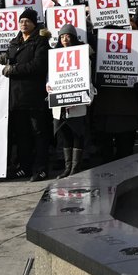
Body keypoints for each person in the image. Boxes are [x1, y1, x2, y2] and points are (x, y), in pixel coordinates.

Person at [1, 8, 52, 180]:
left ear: (33, 23)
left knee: (38, 133)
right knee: (21, 134)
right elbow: (9, 59)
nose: (24, 23)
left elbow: (38, 65)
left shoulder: (40, 41)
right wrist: (3, 60)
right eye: (21, 21)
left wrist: (14, 69)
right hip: (16, 97)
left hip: (34, 95)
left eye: (27, 21)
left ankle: (41, 168)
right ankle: (24, 166)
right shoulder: (14, 42)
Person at [50, 26, 91, 177]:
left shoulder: (82, 56)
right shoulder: (54, 56)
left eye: (67, 36)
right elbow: (51, 77)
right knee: (64, 135)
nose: (65, 40)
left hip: (76, 103)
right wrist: (48, 86)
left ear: (73, 38)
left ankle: (75, 167)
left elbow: (87, 80)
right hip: (59, 105)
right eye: (62, 37)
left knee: (77, 134)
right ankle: (68, 167)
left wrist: (81, 97)